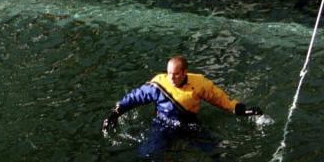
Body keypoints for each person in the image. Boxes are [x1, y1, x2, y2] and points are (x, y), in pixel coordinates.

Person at [102, 56, 262, 155]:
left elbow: (220, 98)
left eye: (176, 74)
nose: (172, 78)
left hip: (189, 124)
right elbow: (134, 97)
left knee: (217, 150)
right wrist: (116, 113)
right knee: (148, 154)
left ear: (185, 72)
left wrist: (240, 109)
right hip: (163, 123)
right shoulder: (159, 84)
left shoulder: (199, 83)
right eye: (169, 73)